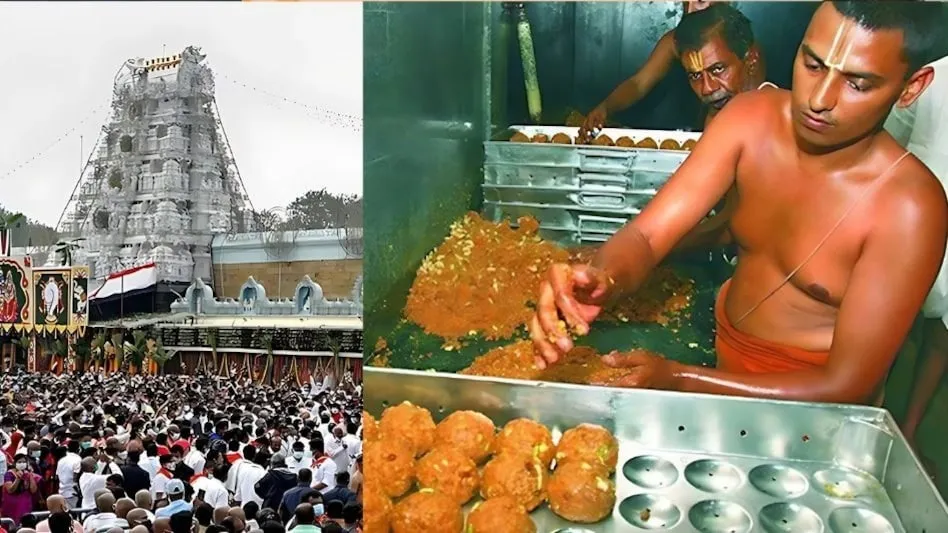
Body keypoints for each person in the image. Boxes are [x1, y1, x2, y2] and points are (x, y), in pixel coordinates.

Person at [530, 1, 948, 405]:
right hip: (721, 354)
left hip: (814, 406)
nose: (819, 99)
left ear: (911, 87)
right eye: (813, 64)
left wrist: (682, 379)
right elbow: (646, 235)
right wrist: (601, 276)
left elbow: (847, 384)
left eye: (856, 83)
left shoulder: (910, 207)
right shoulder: (749, 119)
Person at [883, 52, 948, 469]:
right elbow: (891, 139)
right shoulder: (937, 75)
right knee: (889, 323)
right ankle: (876, 413)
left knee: (942, 337)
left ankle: (908, 428)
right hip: (913, 217)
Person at [580, 1, 764, 138]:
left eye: (717, 69)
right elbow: (639, 83)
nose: (690, 10)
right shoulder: (677, 40)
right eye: (685, 3)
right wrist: (605, 108)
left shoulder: (743, 48)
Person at [2, 454, 39, 526]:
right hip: (13, 506)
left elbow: (33, 490)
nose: (22, 464)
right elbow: (10, 490)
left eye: (24, 462)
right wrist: (18, 479)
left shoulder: (28, 474)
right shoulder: (9, 474)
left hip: (25, 505)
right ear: (15, 463)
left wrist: (30, 475)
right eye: (19, 462)